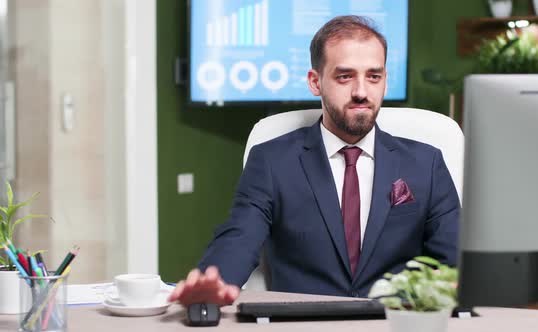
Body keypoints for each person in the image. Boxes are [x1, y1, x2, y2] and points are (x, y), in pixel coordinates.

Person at [168, 15, 459, 306]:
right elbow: (239, 237)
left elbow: (455, 261)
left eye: (374, 76)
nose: (361, 92)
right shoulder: (271, 161)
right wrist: (214, 283)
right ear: (315, 82)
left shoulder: (427, 163)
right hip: (304, 321)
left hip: (394, 322)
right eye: (344, 76)